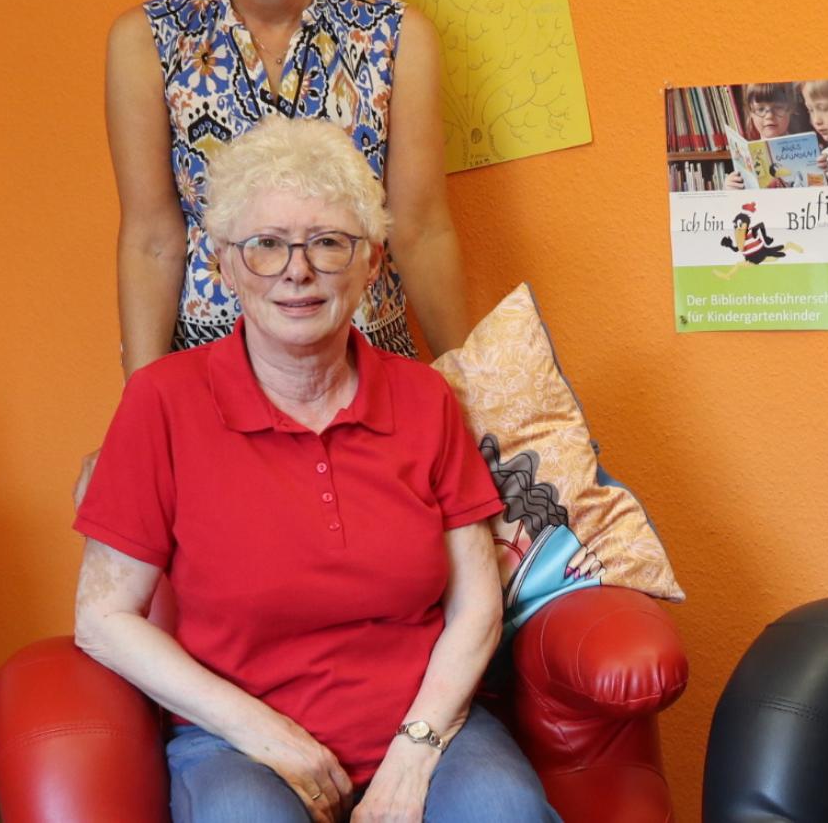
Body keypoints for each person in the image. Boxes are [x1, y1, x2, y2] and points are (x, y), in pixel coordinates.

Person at [73, 117, 557, 823]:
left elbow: (476, 604)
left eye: (328, 242)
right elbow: (103, 618)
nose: (296, 271)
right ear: (224, 264)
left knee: (503, 810)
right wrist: (264, 734)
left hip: (424, 727)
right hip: (238, 743)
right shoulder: (161, 403)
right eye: (266, 244)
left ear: (371, 262)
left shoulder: (423, 398)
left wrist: (415, 750)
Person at [106, 0, 471, 375]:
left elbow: (421, 230)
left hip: (363, 371)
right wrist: (144, 408)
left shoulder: (398, 37)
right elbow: (152, 240)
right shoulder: (148, 41)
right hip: (210, 379)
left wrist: (472, 388)